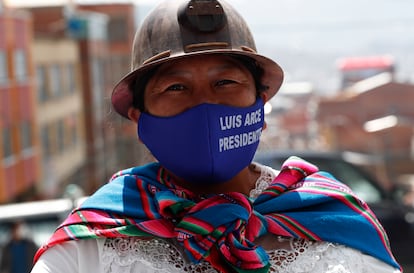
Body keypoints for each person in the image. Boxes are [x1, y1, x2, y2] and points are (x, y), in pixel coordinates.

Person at [31, 0, 402, 272]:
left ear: (261, 105)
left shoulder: (333, 218)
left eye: (225, 82)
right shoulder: (86, 247)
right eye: (176, 88)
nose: (205, 105)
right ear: (139, 120)